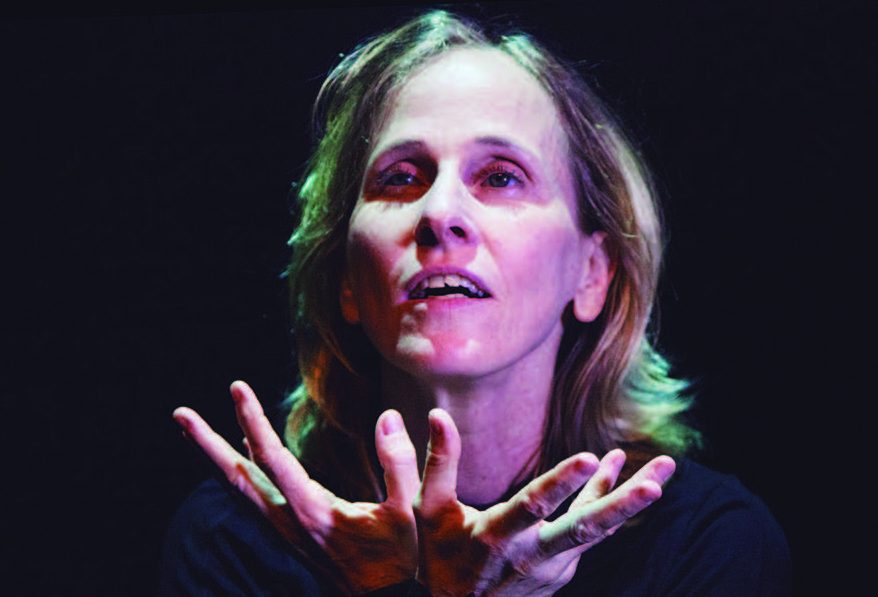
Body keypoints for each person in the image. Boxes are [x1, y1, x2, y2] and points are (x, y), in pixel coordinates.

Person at [161, 9, 790, 596]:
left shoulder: (708, 544)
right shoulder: (232, 543)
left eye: (501, 177)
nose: (440, 214)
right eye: (400, 178)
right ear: (346, 279)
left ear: (592, 273)